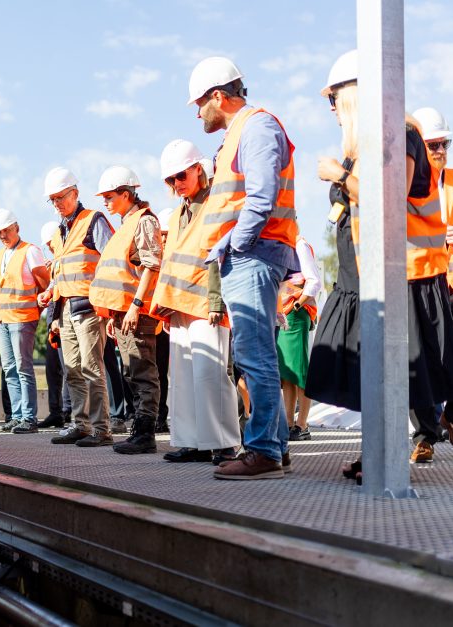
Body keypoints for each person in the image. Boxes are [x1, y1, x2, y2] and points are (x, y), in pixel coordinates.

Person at [309, 50, 453, 474]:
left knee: (398, 375)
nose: (331, 109)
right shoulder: (372, 139)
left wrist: (338, 176)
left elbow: (388, 197)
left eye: (334, 98)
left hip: (406, 277)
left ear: (355, 92)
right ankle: (380, 452)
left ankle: (388, 455)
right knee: (374, 373)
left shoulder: (400, 132)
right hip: (371, 278)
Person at [185, 57, 299, 480]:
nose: (198, 113)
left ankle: (265, 451)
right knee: (257, 355)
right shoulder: (244, 132)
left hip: (254, 254)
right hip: (252, 253)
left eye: (199, 104)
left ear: (218, 96)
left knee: (255, 356)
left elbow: (261, 196)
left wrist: (237, 243)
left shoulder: (256, 127)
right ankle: (276, 448)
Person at [152, 140, 239, 464]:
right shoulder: (177, 215)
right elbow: (171, 261)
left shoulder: (215, 203)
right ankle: (192, 441)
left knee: (210, 373)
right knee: (183, 377)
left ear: (198, 169)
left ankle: (224, 443)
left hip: (206, 301)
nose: (177, 183)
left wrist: (217, 300)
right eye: (171, 180)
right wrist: (163, 304)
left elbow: (219, 254)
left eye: (181, 175)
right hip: (179, 304)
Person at [413, 107, 453, 455]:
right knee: (420, 358)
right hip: (421, 280)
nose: (440, 150)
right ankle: (425, 437)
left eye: (444, 143)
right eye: (433, 144)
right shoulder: (404, 182)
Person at [88, 166, 163, 455]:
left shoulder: (143, 222)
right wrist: (115, 314)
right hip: (123, 313)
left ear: (127, 194)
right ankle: (139, 430)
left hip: (136, 311)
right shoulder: (126, 224)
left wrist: (135, 305)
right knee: (132, 371)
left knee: (143, 371)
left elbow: (151, 265)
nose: (105, 202)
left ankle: (146, 434)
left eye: (109, 196)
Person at [42, 167, 115, 447]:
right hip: (67, 310)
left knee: (91, 368)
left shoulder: (92, 220)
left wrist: (107, 306)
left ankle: (101, 429)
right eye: (53, 199)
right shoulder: (60, 232)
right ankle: (80, 424)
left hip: (89, 307)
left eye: (62, 197)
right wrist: (53, 304)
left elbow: (111, 262)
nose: (58, 203)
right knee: (72, 368)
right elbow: (63, 273)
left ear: (75, 193)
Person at [0, 208, 50, 434]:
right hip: (3, 320)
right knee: (9, 369)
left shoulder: (30, 251)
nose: (3, 235)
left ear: (17, 228)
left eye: (6, 230)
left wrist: (40, 305)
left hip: (23, 318)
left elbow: (45, 282)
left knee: (24, 368)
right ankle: (16, 416)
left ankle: (29, 418)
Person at [277, 235, 321, 441]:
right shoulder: (281, 244)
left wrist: (297, 304)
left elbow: (313, 281)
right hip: (282, 313)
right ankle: (288, 422)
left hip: (295, 313)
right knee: (287, 372)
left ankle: (302, 424)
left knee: (299, 370)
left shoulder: (299, 245)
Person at [37, 220, 73, 429]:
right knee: (52, 368)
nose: (49, 248)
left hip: (64, 318)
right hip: (53, 320)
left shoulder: (66, 260)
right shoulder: (55, 264)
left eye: (51, 243)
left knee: (69, 367)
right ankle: (56, 411)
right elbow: (53, 288)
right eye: (47, 245)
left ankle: (68, 410)